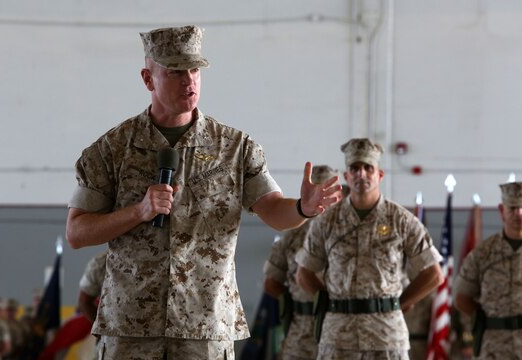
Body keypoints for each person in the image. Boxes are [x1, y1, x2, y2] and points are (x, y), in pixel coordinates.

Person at [65, 25, 341, 360]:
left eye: (195, 70)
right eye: (175, 72)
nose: (189, 81)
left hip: (205, 326)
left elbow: (273, 211)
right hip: (130, 327)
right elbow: (76, 233)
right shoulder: (111, 150)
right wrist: (138, 212)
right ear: (148, 79)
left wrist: (302, 208)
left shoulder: (236, 148)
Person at [295, 138, 444, 360]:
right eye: (354, 168)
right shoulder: (327, 222)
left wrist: (399, 303)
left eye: (368, 168)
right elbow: (304, 273)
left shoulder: (401, 220)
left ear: (379, 175)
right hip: (338, 337)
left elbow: (434, 275)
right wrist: (328, 299)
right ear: (346, 176)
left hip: (386, 336)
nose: (361, 174)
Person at [263, 165, 342, 360]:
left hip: (341, 330)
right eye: (318, 192)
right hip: (301, 332)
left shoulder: (350, 232)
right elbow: (271, 283)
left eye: (328, 193)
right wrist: (294, 302)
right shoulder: (292, 234)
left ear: (338, 196)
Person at [454, 181, 522, 359]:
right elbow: (461, 298)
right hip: (495, 347)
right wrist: (487, 318)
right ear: (501, 210)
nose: (518, 213)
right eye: (512, 208)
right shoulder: (483, 253)